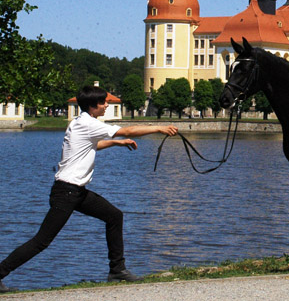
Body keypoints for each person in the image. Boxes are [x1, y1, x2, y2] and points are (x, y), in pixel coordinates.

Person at [0, 85, 178, 292]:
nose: (106, 106)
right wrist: (159, 128)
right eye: (103, 103)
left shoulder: (79, 123)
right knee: (42, 241)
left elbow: (92, 145)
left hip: (75, 191)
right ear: (92, 106)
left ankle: (117, 270)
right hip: (67, 192)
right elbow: (127, 130)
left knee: (114, 216)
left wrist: (116, 144)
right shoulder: (88, 123)